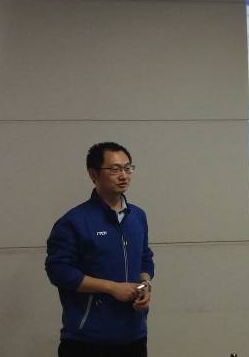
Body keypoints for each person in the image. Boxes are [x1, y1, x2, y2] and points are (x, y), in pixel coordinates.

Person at [46, 142, 155, 357]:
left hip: (134, 334)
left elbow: (145, 257)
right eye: (114, 169)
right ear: (93, 174)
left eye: (128, 168)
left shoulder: (137, 216)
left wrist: (145, 284)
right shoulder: (74, 221)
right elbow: (59, 271)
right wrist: (111, 288)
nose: (123, 175)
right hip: (88, 338)